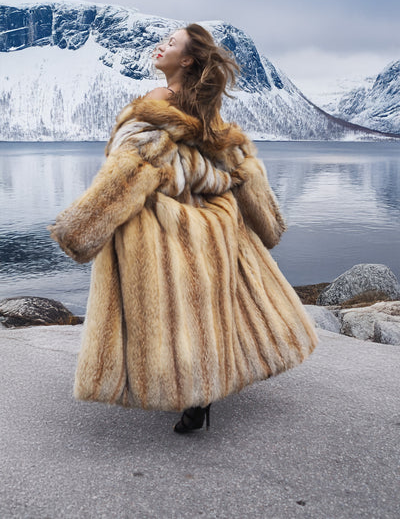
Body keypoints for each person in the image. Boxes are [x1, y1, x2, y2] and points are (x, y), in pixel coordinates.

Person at [49, 24, 318, 434]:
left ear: (187, 60)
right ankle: (203, 392)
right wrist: (267, 224)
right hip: (213, 224)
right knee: (205, 305)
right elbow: (240, 167)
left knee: (171, 311)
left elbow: (132, 169)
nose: (160, 46)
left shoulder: (157, 101)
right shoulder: (208, 113)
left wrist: (80, 231)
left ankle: (185, 385)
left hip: (167, 225)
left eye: (171, 44)